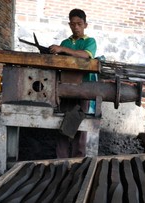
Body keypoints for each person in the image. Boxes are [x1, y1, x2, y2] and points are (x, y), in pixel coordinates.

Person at [49, 8, 97, 158]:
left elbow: (85, 56)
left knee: (80, 127)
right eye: (73, 24)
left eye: (79, 24)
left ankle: (78, 162)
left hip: (84, 91)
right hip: (64, 90)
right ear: (69, 25)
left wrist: (63, 49)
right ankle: (60, 162)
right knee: (62, 126)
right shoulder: (65, 42)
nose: (76, 27)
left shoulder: (89, 41)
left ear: (85, 25)